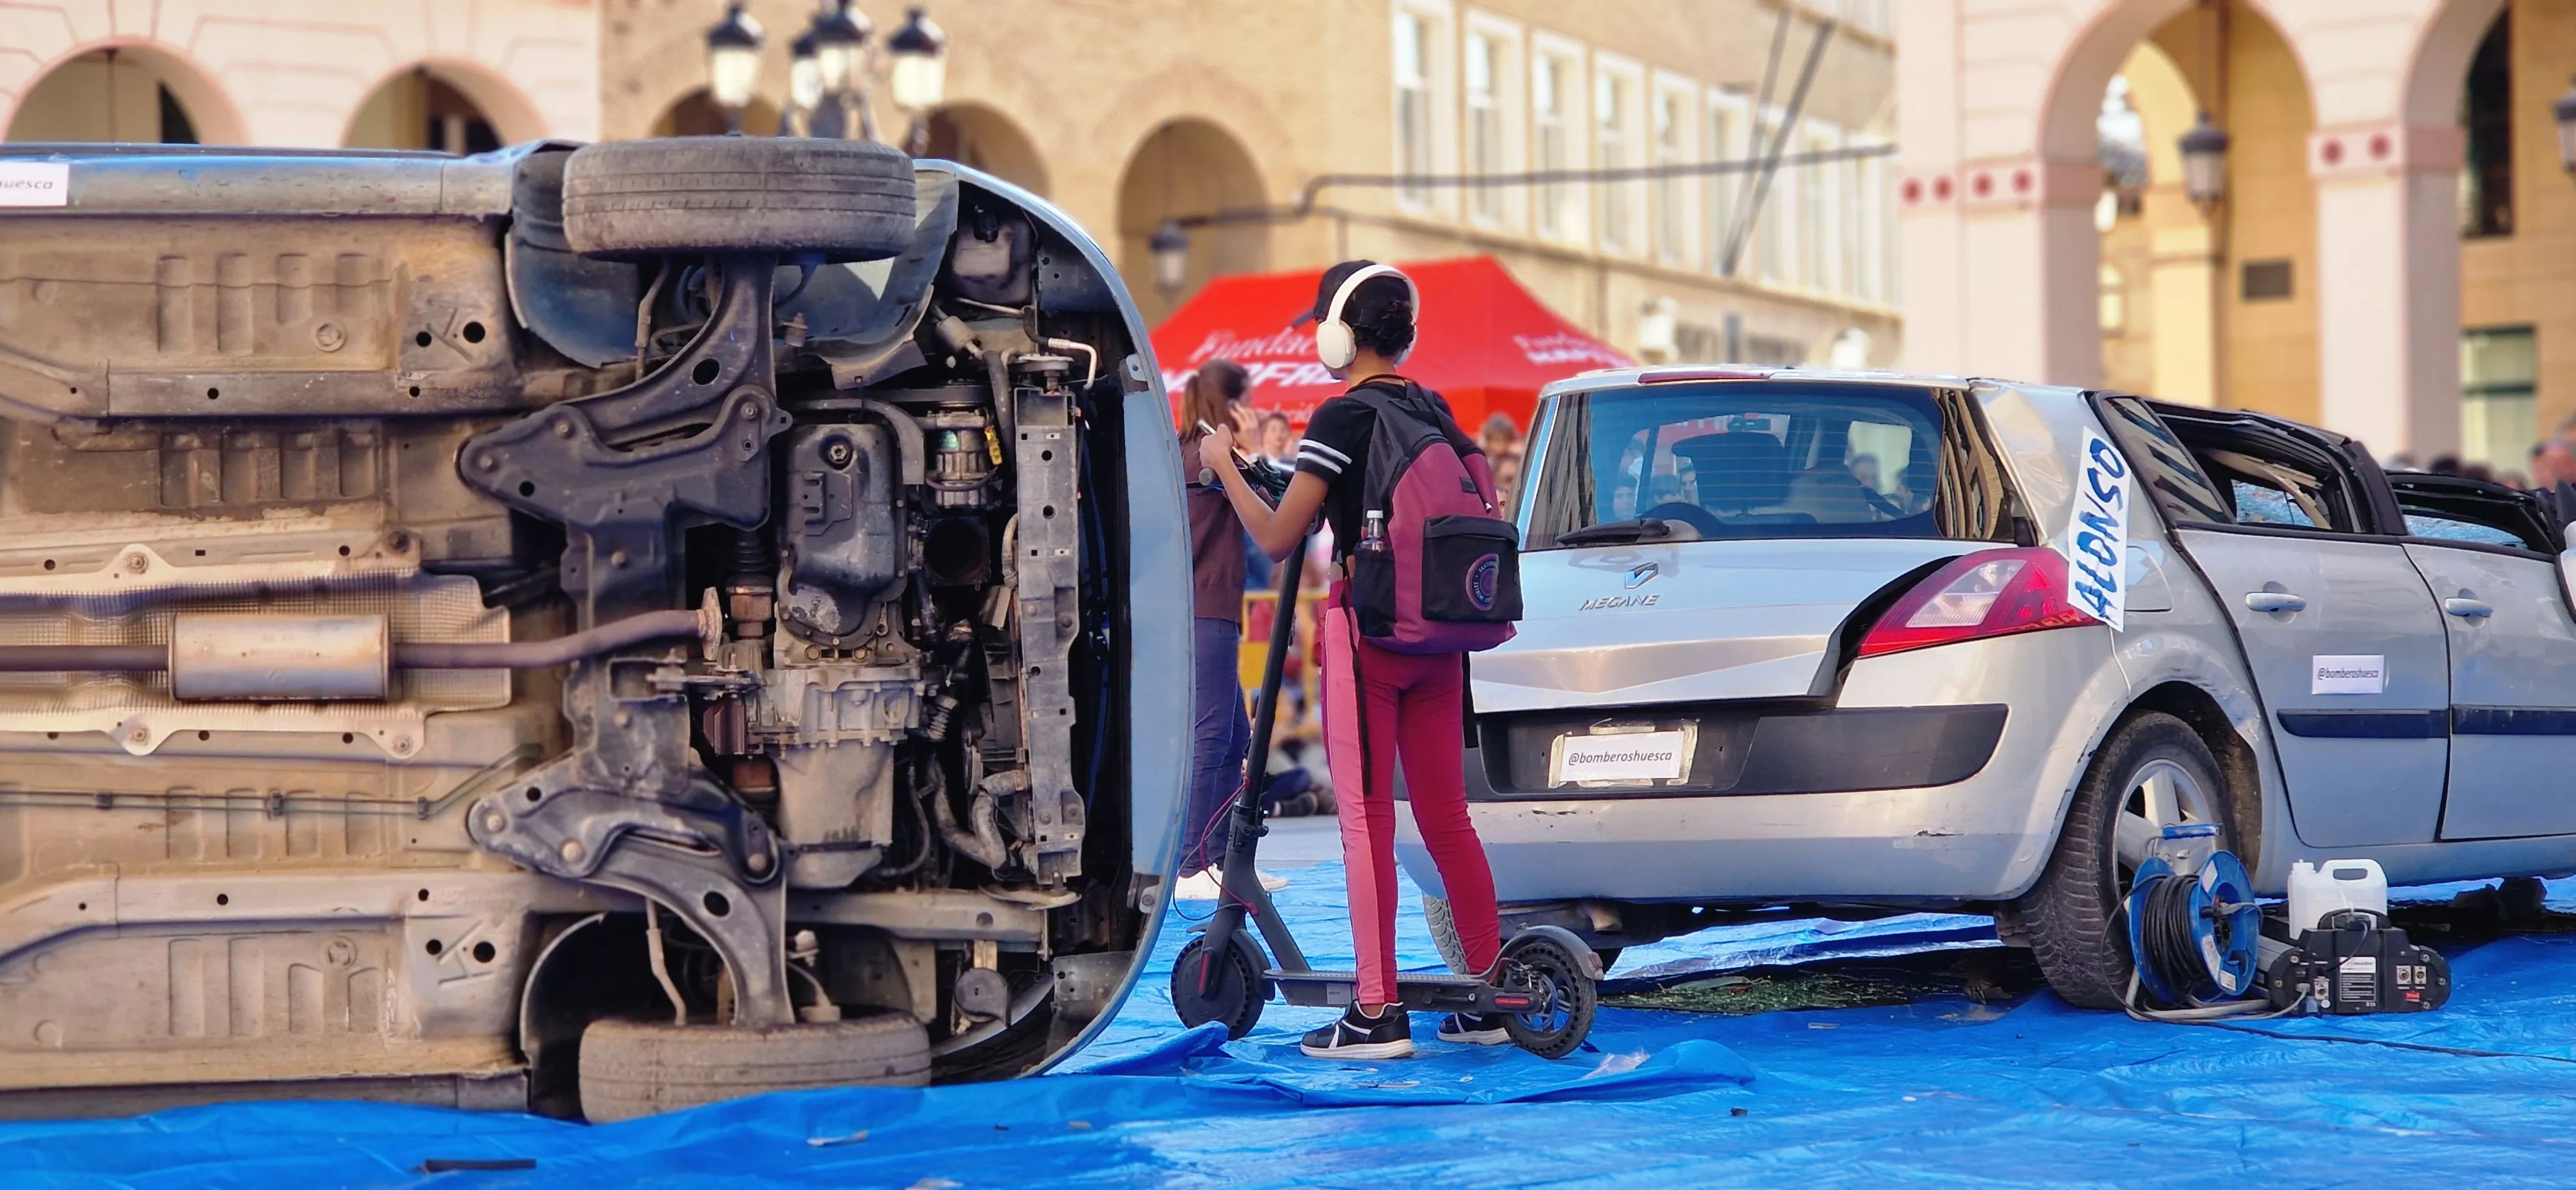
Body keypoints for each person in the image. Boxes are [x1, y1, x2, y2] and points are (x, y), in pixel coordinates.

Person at [1197, 260, 1508, 1060]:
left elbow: (1275, 536)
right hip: (1440, 638)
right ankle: (1489, 992)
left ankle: (1375, 1013)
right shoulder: (1434, 411)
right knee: (1446, 818)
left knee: (1366, 822)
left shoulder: (1341, 419)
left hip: (1367, 640)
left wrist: (1224, 467)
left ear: (1341, 332)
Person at [1174, 359, 1285, 902]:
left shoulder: (1193, 451)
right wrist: (1254, 448)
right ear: (1232, 405)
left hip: (1202, 609)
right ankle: (1194, 862)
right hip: (1205, 609)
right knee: (1215, 734)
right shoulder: (1210, 458)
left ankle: (1217, 859)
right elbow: (1278, 509)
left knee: (1234, 736)